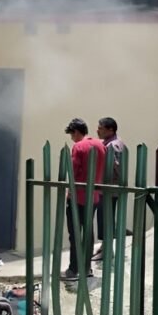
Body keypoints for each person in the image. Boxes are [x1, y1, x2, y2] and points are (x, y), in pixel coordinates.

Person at [64, 118, 106, 280]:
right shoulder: (100, 145)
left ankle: (74, 269)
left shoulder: (79, 146)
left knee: (75, 233)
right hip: (94, 196)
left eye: (72, 134)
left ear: (76, 132)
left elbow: (73, 171)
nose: (72, 138)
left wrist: (70, 192)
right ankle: (87, 268)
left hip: (78, 197)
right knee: (88, 232)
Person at [93, 117, 127, 261]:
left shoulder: (113, 145)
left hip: (109, 190)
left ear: (110, 130)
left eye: (101, 128)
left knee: (106, 219)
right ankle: (104, 247)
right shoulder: (109, 143)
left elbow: (117, 167)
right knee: (104, 218)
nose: (98, 131)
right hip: (106, 189)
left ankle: (107, 251)